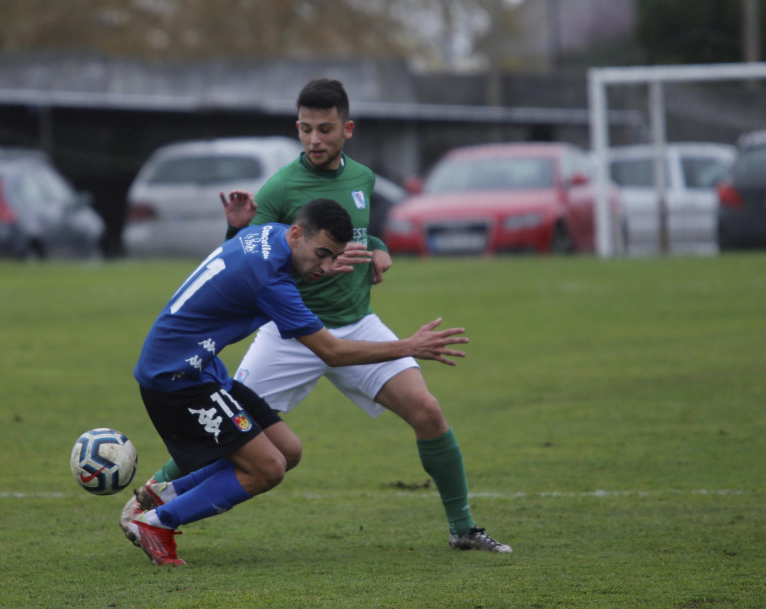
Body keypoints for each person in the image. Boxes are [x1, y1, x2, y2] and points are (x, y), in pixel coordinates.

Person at [139, 78, 512, 554]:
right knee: (226, 430)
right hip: (289, 336)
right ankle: (152, 496)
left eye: (325, 129)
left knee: (428, 410)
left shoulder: (362, 179)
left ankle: (462, 529)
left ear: (347, 129)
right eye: (306, 129)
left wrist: (377, 249)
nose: (315, 140)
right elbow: (240, 263)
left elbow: (354, 234)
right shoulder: (280, 187)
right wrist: (232, 228)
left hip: (357, 324)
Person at [121, 198, 471, 565]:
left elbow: (237, 263)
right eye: (321, 253)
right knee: (267, 468)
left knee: (287, 451)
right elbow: (332, 352)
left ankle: (166, 493)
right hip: (177, 380)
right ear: (297, 233)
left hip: (201, 368)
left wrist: (311, 257)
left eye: (333, 257)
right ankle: (158, 523)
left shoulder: (264, 234)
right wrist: (409, 346)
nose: (325, 266)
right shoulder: (271, 281)